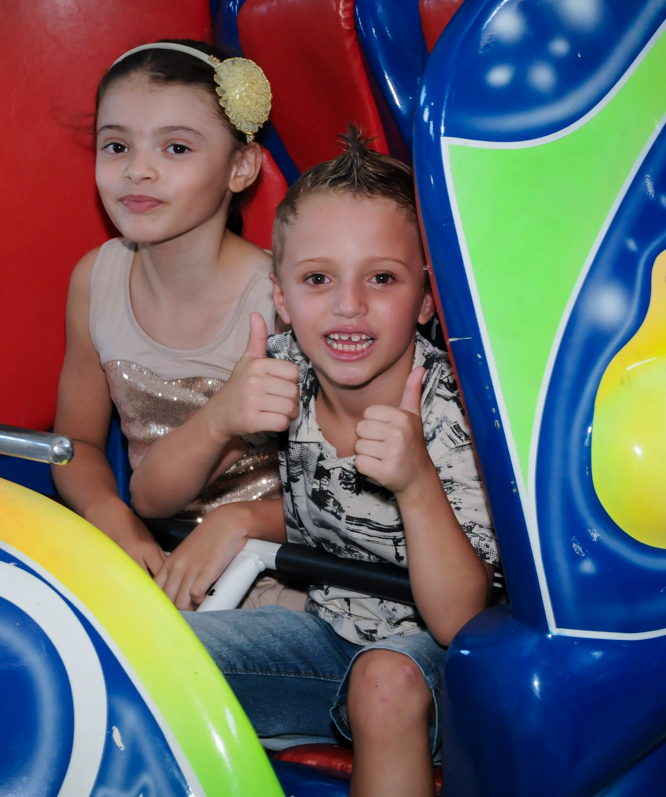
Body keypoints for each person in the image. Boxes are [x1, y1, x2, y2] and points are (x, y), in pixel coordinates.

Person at [147, 127, 499, 796]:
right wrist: (222, 416)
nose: (348, 304)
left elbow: (461, 619)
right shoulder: (284, 366)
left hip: (440, 664)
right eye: (317, 278)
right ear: (280, 297)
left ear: (426, 298)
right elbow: (152, 496)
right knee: (148, 651)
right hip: (327, 633)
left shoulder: (450, 412)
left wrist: (418, 480)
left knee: (383, 684)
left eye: (382, 278)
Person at [52, 40, 290, 602]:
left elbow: (349, 491)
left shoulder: (283, 299)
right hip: (155, 548)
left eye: (176, 148)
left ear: (240, 166)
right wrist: (108, 513)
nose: (137, 170)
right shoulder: (96, 278)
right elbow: (77, 442)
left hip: (282, 567)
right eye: (116, 146)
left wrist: (244, 525)